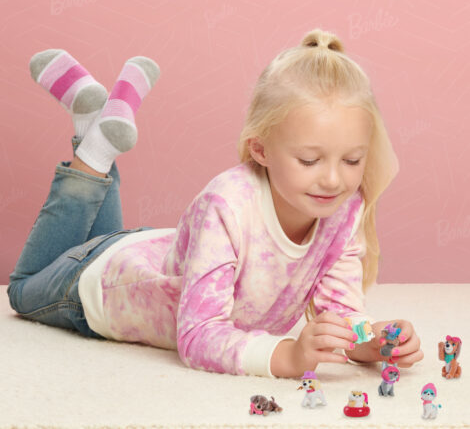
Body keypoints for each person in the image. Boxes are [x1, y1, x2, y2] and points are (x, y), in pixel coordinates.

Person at [7, 28, 423, 379]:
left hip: (142, 251)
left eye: (352, 160)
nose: (334, 180)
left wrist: (371, 341)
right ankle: (95, 145)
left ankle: (93, 123)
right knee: (23, 290)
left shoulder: (344, 209)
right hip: (98, 287)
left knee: (94, 243)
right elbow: (198, 336)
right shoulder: (225, 203)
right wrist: (288, 356)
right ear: (260, 149)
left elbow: (339, 310)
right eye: (310, 160)